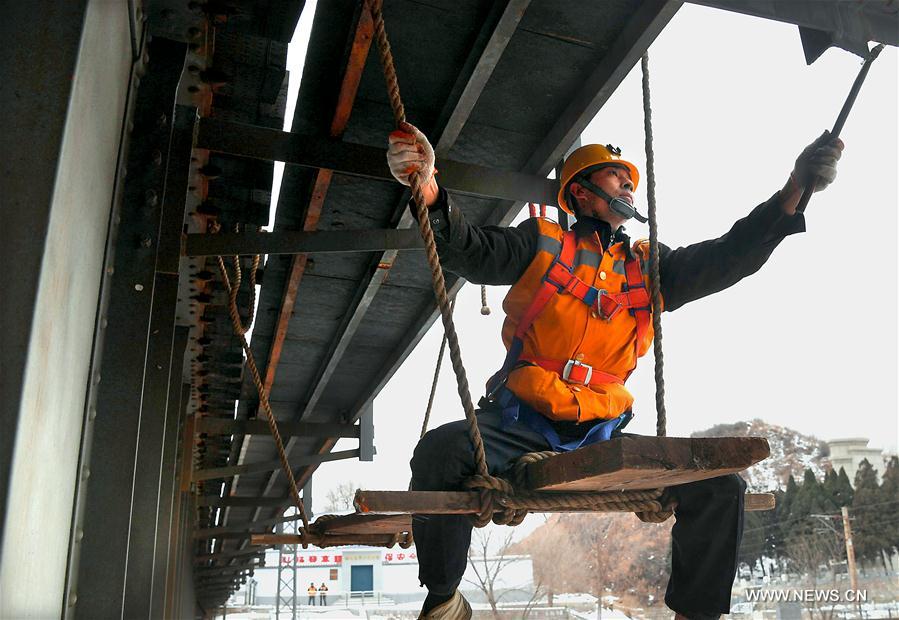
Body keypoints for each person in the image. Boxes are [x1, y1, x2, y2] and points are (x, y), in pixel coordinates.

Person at [387, 122, 843, 620]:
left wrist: (794, 191)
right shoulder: (540, 243)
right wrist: (428, 189)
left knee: (720, 486)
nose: (628, 186)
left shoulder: (648, 267)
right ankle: (445, 599)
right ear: (580, 193)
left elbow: (727, 256)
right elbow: (473, 250)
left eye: (629, 180)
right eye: (614, 176)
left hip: (601, 433)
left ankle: (697, 613)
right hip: (520, 426)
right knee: (441, 451)